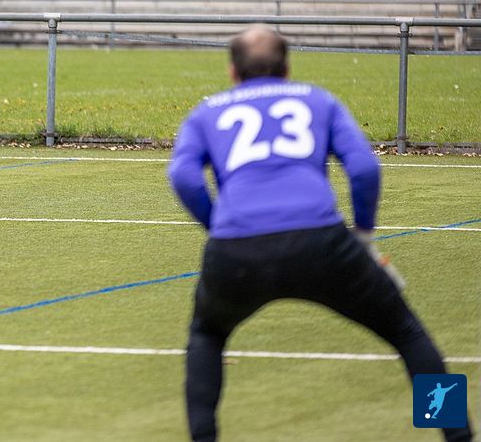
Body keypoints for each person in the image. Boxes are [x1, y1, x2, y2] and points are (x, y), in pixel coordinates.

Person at [167, 25, 472, 442]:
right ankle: (457, 434)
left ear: (232, 72)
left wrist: (217, 224)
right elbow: (364, 168)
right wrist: (363, 233)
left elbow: (183, 176)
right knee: (406, 332)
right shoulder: (318, 99)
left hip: (236, 251)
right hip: (321, 241)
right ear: (287, 67)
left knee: (207, 335)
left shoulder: (207, 113)